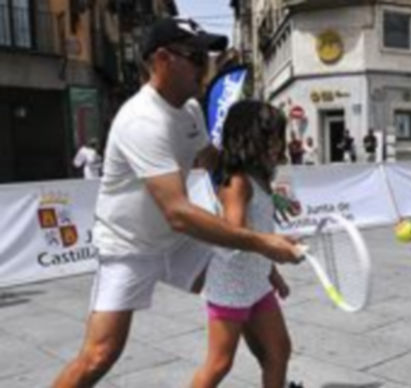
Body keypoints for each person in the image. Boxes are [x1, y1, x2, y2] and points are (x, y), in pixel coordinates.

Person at [52, 18, 300, 388]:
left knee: (243, 283)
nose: (206, 66)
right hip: (129, 246)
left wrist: (260, 192)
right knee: (100, 355)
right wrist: (264, 242)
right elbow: (179, 213)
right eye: (196, 57)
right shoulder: (141, 121)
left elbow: (215, 164)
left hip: (178, 240)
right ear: (163, 59)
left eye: (206, 57)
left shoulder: (190, 111)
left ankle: (272, 364)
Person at [191, 101, 293, 388]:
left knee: (279, 350)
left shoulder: (260, 179)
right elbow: (235, 234)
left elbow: (259, 230)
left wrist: (272, 273)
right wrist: (275, 245)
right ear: (248, 138)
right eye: (271, 137)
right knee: (219, 364)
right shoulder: (237, 182)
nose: (277, 145)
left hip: (257, 282)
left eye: (279, 137)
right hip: (230, 286)